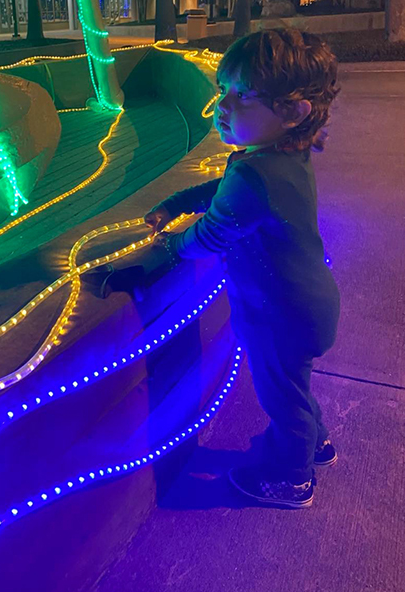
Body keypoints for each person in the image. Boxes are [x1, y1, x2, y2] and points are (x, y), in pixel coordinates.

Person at [145, 29, 341, 508]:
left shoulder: (257, 171)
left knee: (282, 398)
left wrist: (169, 248)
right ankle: (315, 444)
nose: (223, 107)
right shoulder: (278, 156)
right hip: (303, 303)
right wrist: (177, 201)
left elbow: (213, 232)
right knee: (292, 384)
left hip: (280, 312)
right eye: (221, 89)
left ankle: (290, 480)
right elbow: (225, 190)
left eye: (244, 96)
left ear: (294, 112)